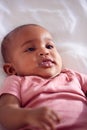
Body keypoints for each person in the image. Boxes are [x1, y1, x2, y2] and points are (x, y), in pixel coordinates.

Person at [0, 24, 87, 130]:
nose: (44, 51)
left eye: (49, 46)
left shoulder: (73, 76)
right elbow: (5, 112)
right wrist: (27, 116)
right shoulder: (17, 81)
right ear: (11, 69)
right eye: (31, 49)